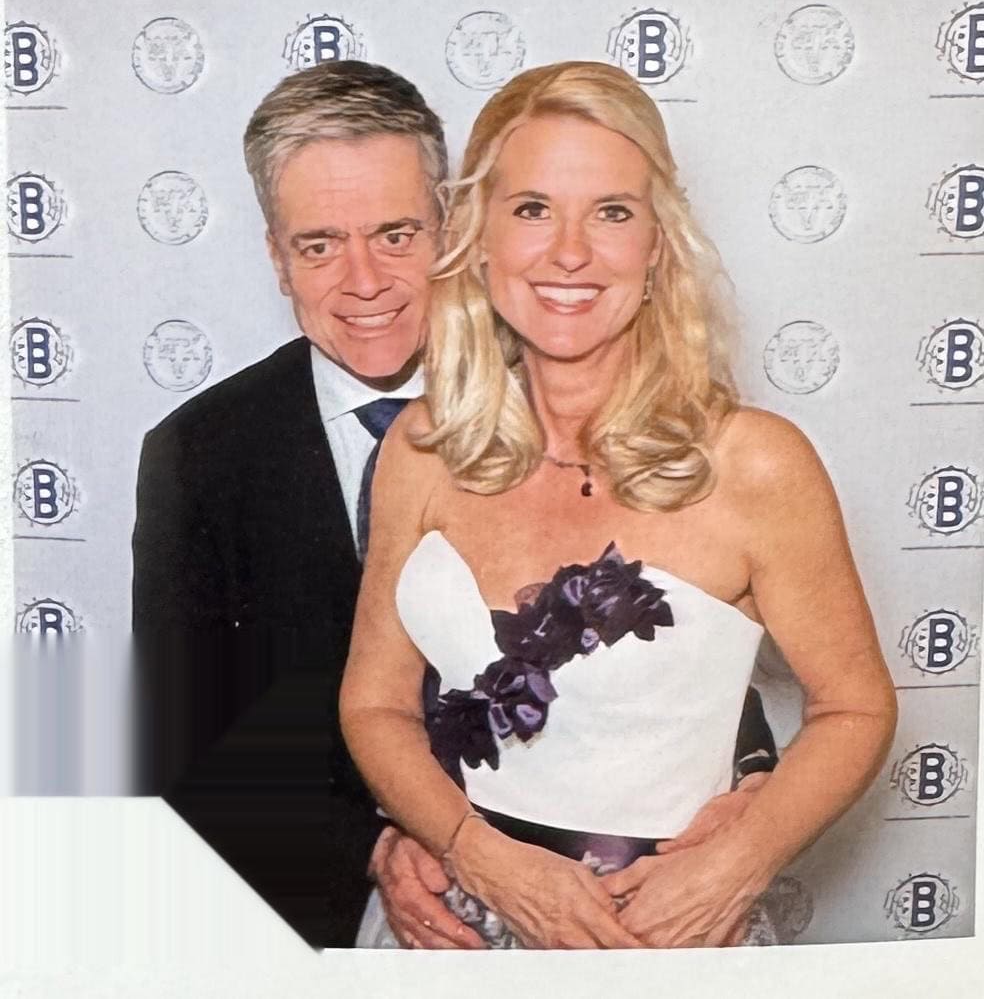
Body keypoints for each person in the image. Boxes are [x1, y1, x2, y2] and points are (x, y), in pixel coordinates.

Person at [131, 60, 777, 950]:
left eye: (396, 234)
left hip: (627, 889)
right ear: (276, 257)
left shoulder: (576, 361)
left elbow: (684, 609)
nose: (364, 280)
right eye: (319, 245)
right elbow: (184, 737)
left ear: (453, 225)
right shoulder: (199, 452)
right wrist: (380, 849)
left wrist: (754, 776)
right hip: (340, 919)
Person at [340, 60, 898, 949]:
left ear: (657, 243)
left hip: (663, 930)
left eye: (611, 212)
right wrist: (476, 855)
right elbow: (376, 704)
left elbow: (855, 706)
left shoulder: (755, 463)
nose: (570, 252)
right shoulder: (421, 447)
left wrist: (737, 863)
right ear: (478, 236)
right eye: (533, 209)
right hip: (449, 923)